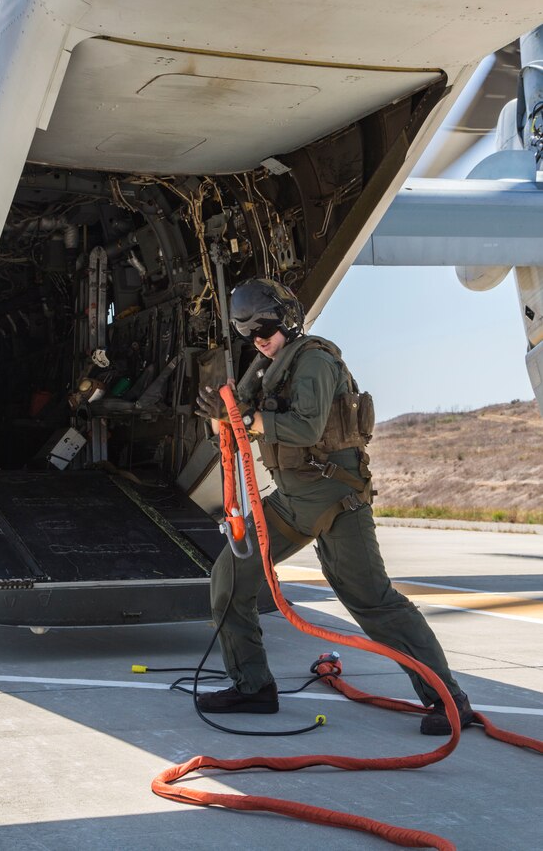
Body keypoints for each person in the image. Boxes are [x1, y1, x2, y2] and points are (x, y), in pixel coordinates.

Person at [196, 277, 473, 735]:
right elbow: (233, 425)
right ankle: (253, 687)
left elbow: (305, 428)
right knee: (228, 575)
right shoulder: (266, 366)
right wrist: (218, 414)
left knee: (374, 604)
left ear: (286, 320)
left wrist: (246, 418)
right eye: (250, 332)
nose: (259, 339)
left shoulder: (316, 361)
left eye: (265, 327)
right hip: (291, 502)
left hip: (338, 502)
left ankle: (448, 698)